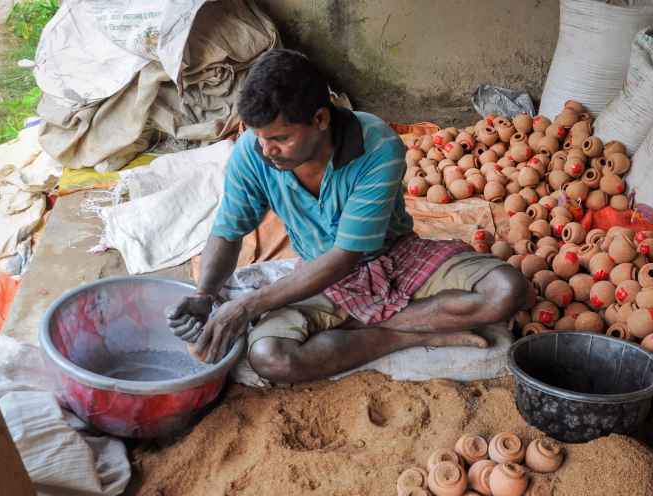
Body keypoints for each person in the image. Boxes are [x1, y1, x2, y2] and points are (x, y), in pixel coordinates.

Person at [167, 49, 527, 383]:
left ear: (320, 119)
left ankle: (360, 326)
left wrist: (246, 306)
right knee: (271, 357)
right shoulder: (254, 152)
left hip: (394, 257)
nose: (266, 150)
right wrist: (204, 294)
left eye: (279, 138)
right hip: (317, 274)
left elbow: (346, 256)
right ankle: (396, 336)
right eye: (258, 137)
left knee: (505, 291)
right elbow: (228, 232)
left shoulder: (377, 146)